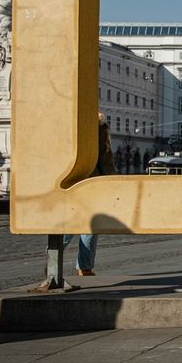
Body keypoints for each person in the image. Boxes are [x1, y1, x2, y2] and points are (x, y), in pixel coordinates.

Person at [61, 112, 116, 276]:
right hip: (93, 183)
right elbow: (105, 158)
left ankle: (52, 256)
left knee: (69, 223)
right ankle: (84, 266)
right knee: (90, 226)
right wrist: (112, 179)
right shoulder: (99, 129)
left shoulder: (71, 129)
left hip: (71, 181)